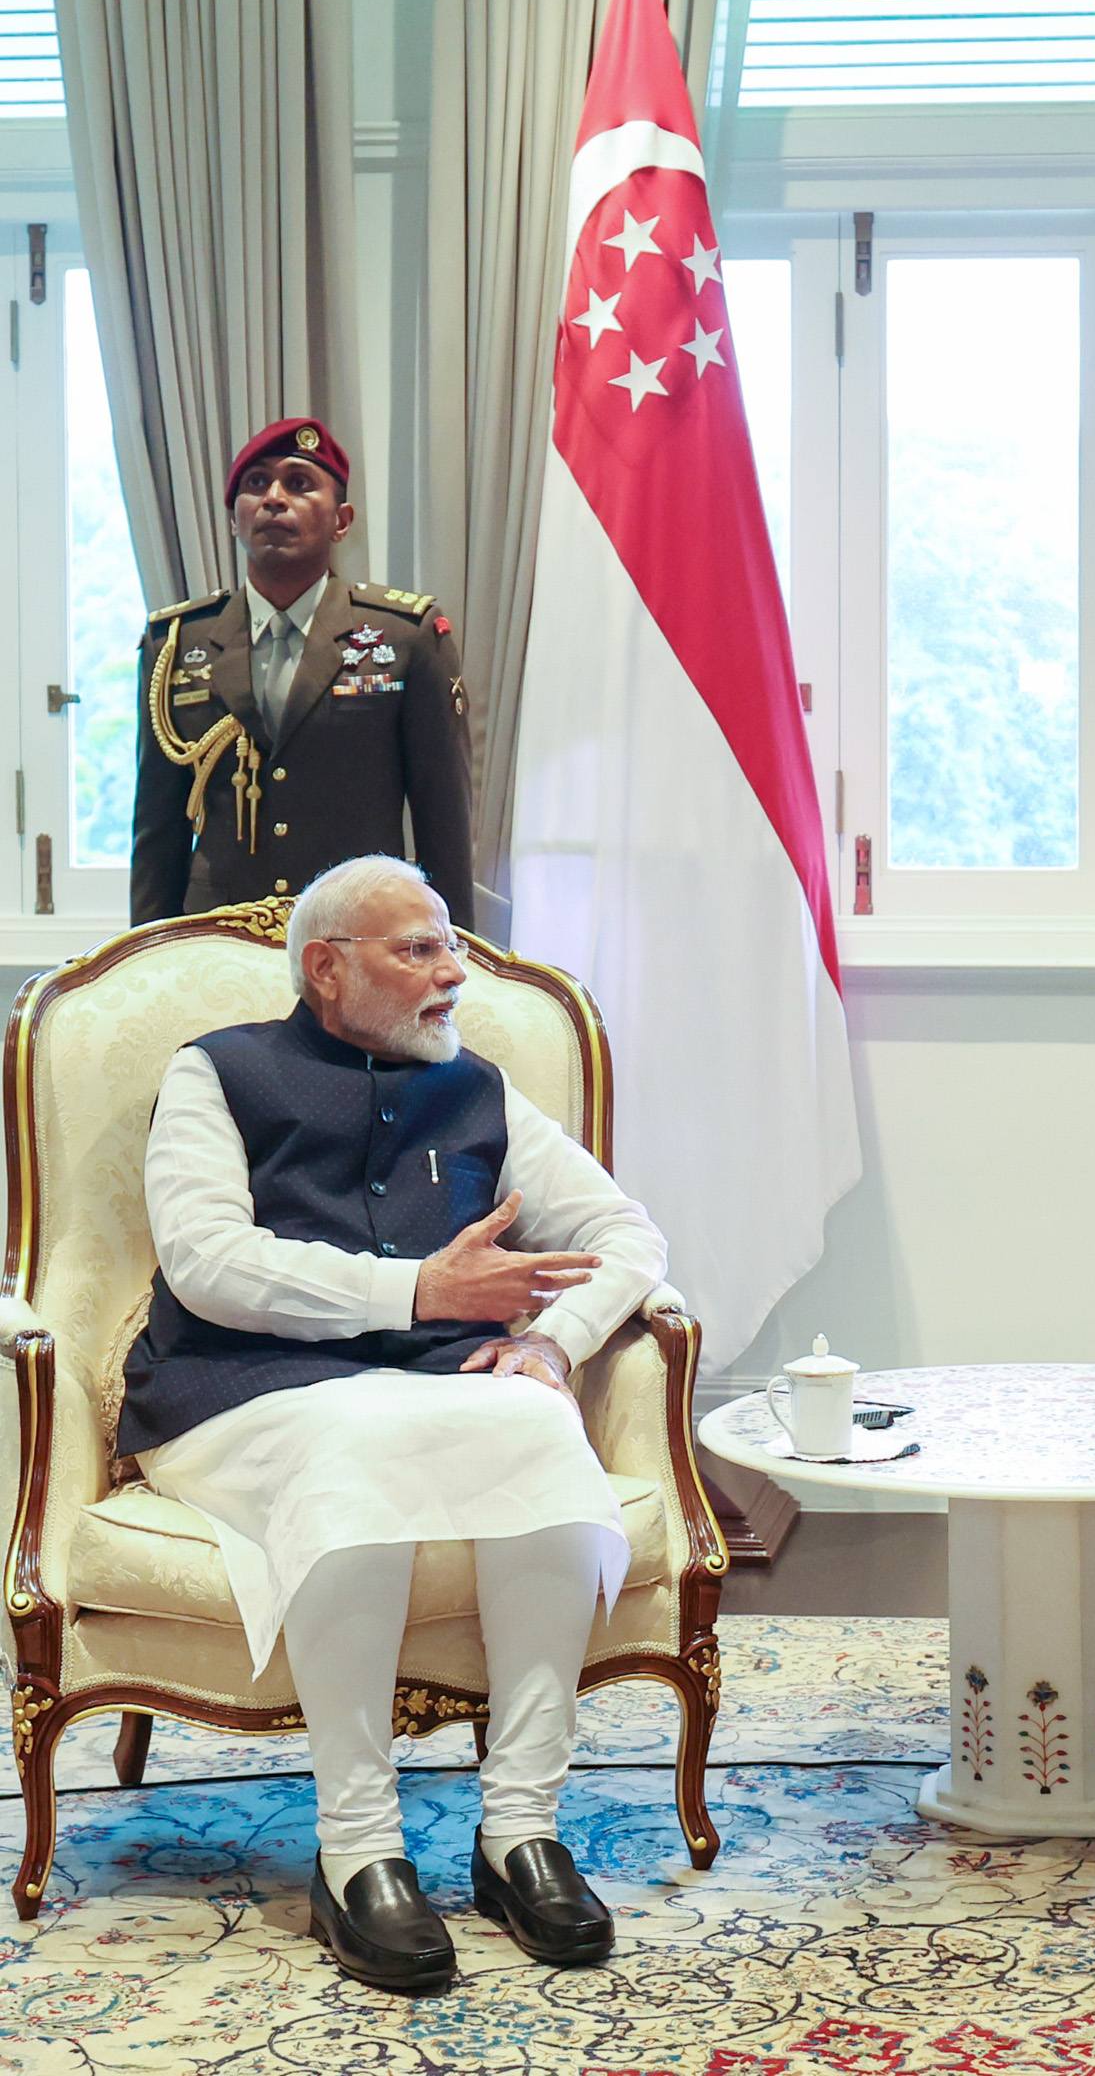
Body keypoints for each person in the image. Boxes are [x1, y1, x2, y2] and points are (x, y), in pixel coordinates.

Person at [116, 854, 666, 1993]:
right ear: (327, 968)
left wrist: (552, 1345)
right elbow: (209, 1264)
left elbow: (629, 1237)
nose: (453, 974)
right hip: (238, 1393)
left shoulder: (477, 1088)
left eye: (452, 945)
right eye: (418, 950)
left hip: (429, 1392)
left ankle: (521, 1831)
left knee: (536, 1428)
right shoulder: (218, 1075)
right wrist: (420, 1291)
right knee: (355, 1445)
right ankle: (357, 1850)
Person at [129, 418, 476, 931]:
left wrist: (452, 954)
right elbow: (158, 829)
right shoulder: (179, 643)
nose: (273, 498)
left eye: (298, 483)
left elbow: (442, 821)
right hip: (217, 939)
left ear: (341, 519)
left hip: (359, 936)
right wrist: (144, 959)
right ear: (234, 519)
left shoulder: (404, 636)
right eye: (255, 484)